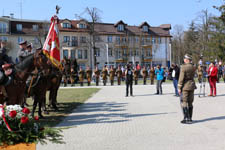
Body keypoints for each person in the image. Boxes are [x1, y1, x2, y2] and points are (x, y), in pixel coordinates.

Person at [178, 54, 196, 124]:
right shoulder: (193, 67)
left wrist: (179, 87)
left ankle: (186, 118)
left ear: (187, 60)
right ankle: (190, 118)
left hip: (185, 86)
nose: (184, 60)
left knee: (184, 101)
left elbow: (181, 78)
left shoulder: (183, 67)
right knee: (190, 102)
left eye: (185, 59)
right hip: (191, 85)